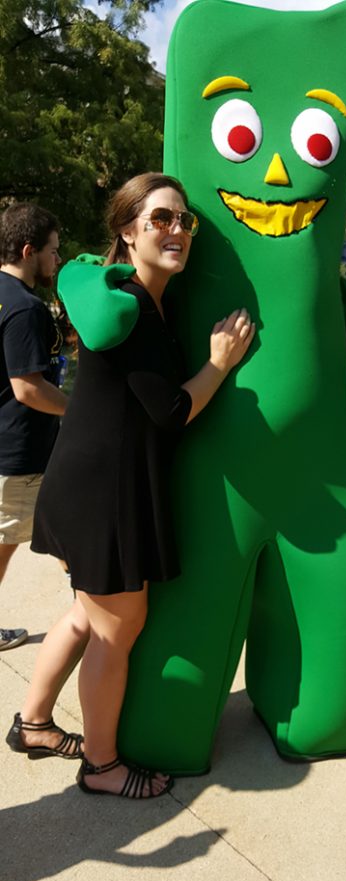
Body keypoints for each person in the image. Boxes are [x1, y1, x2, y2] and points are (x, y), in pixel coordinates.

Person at [6, 172, 255, 798]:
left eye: (184, 221)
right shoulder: (134, 309)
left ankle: (33, 725)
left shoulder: (137, 298)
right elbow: (169, 411)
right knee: (119, 631)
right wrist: (219, 365)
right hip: (104, 495)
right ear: (128, 231)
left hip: (89, 484)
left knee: (87, 617)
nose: (176, 230)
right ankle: (103, 766)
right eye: (160, 219)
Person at [0, 204, 66, 651]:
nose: (57, 260)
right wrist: (78, 410)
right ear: (29, 250)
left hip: (12, 447)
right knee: (58, 538)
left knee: (54, 533)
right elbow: (28, 389)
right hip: (21, 453)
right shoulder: (25, 308)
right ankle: (105, 619)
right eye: (53, 251)